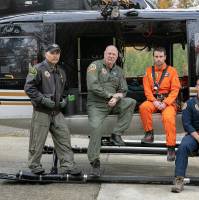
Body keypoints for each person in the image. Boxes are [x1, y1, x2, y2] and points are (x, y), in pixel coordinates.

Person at [24, 44, 81, 175]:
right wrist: (43, 100)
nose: (55, 55)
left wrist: (64, 100)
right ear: (46, 54)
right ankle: (34, 166)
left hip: (57, 113)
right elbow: (28, 88)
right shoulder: (36, 69)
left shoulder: (61, 71)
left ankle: (68, 166)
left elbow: (65, 90)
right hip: (42, 112)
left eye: (57, 53)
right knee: (37, 141)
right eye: (52, 53)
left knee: (64, 139)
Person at [86, 45, 136, 175]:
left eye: (114, 54)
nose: (111, 56)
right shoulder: (95, 66)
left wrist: (118, 97)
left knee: (131, 102)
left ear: (117, 56)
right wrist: (110, 96)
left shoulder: (119, 71)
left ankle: (116, 133)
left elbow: (123, 89)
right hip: (96, 105)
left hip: (113, 103)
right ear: (104, 53)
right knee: (96, 128)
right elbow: (92, 86)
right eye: (109, 53)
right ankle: (94, 161)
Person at [139, 47, 181, 162]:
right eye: (156, 57)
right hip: (154, 100)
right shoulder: (148, 71)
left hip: (168, 102)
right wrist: (154, 101)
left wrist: (165, 103)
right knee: (143, 107)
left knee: (168, 118)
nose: (158, 59)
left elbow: (175, 90)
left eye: (161, 57)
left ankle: (171, 148)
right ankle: (149, 134)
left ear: (165, 57)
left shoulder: (172, 71)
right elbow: (147, 90)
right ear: (153, 57)